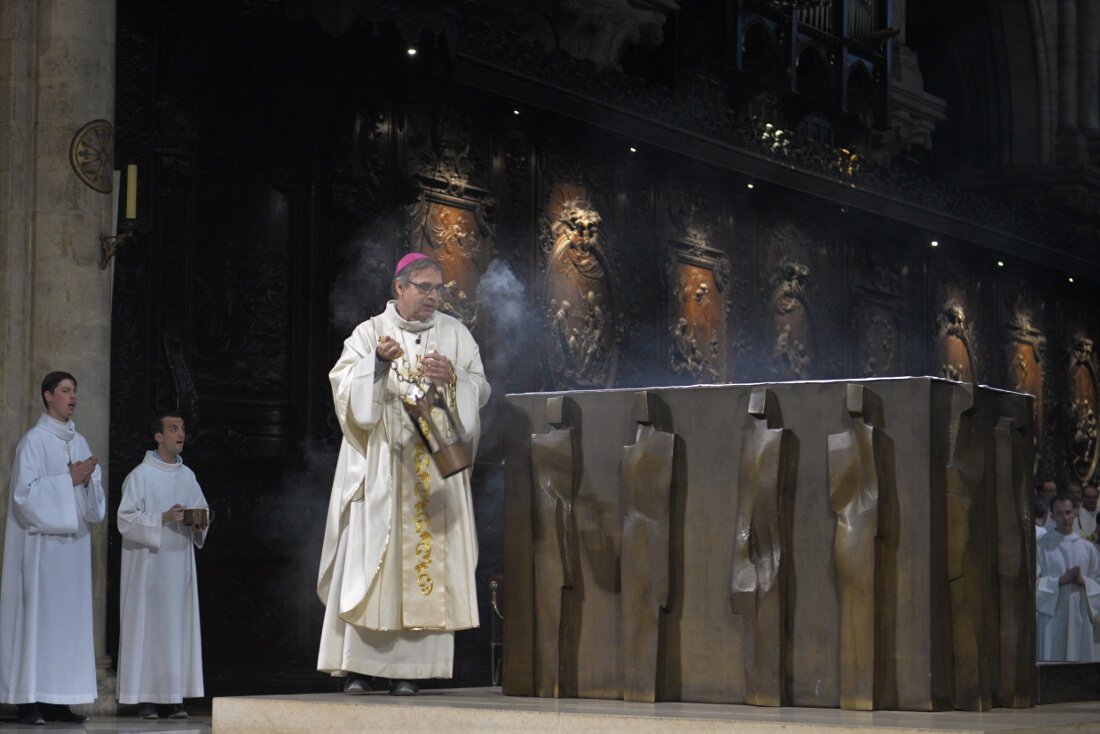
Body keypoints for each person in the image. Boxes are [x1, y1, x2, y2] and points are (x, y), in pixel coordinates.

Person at [317, 253, 490, 696]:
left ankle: (409, 671)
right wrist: (375, 365)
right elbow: (344, 392)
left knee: (423, 563)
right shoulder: (368, 333)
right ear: (400, 288)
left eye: (439, 289)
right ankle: (358, 668)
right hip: (381, 468)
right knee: (371, 564)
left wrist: (453, 380)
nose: (434, 297)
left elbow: (480, 389)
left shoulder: (455, 334)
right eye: (425, 288)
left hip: (432, 467)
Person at [0, 372, 105, 725]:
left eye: (75, 391)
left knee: (67, 625)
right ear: (48, 396)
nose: (72, 397)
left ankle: (60, 698)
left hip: (72, 550)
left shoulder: (82, 443)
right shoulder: (34, 441)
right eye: (65, 391)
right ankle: (29, 700)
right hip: (42, 550)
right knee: (38, 622)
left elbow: (95, 507)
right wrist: (68, 481)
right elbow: (23, 498)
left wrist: (87, 483)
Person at [116, 412, 209, 719]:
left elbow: (203, 514)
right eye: (173, 428)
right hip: (149, 569)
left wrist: (198, 522)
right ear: (158, 436)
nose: (180, 433)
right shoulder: (140, 476)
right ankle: (147, 699)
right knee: (149, 629)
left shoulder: (188, 476)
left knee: (176, 630)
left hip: (178, 565)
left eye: (182, 428)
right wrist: (162, 518)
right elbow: (125, 521)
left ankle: (174, 698)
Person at [1036, 495, 1100, 661]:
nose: (1065, 518)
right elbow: (1032, 586)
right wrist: (1059, 581)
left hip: (1081, 618)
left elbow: (1098, 582)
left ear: (1075, 513)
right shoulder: (1042, 546)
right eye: (1059, 514)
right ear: (1052, 516)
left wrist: (1085, 582)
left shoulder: (1088, 548)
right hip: (1053, 619)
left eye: (1068, 512)